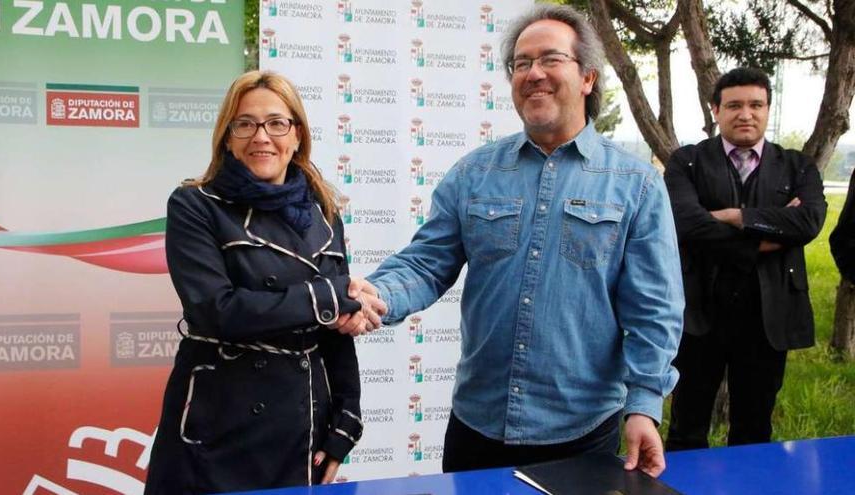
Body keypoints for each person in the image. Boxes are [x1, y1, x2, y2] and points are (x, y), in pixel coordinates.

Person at [341, 4, 684, 477]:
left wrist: (644, 404)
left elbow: (654, 308)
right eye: (521, 63)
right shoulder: (475, 173)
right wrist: (377, 293)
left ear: (587, 77)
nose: (533, 73)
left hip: (583, 432)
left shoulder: (636, 184)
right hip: (477, 429)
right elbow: (426, 262)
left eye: (549, 59)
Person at [145, 71, 385, 494]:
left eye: (276, 123)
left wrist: (347, 417)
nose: (262, 137)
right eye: (245, 124)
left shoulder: (325, 215)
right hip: (217, 425)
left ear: (297, 136)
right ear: (227, 137)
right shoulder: (195, 204)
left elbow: (335, 332)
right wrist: (325, 295)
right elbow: (215, 311)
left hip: (301, 425)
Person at [664, 67, 827, 451]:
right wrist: (765, 239)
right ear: (716, 110)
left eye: (756, 105)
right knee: (686, 428)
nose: (746, 114)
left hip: (768, 317)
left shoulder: (797, 165)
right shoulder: (686, 162)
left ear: (768, 110)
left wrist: (736, 216)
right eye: (734, 105)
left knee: (754, 430)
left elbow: (808, 220)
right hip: (698, 313)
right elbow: (686, 224)